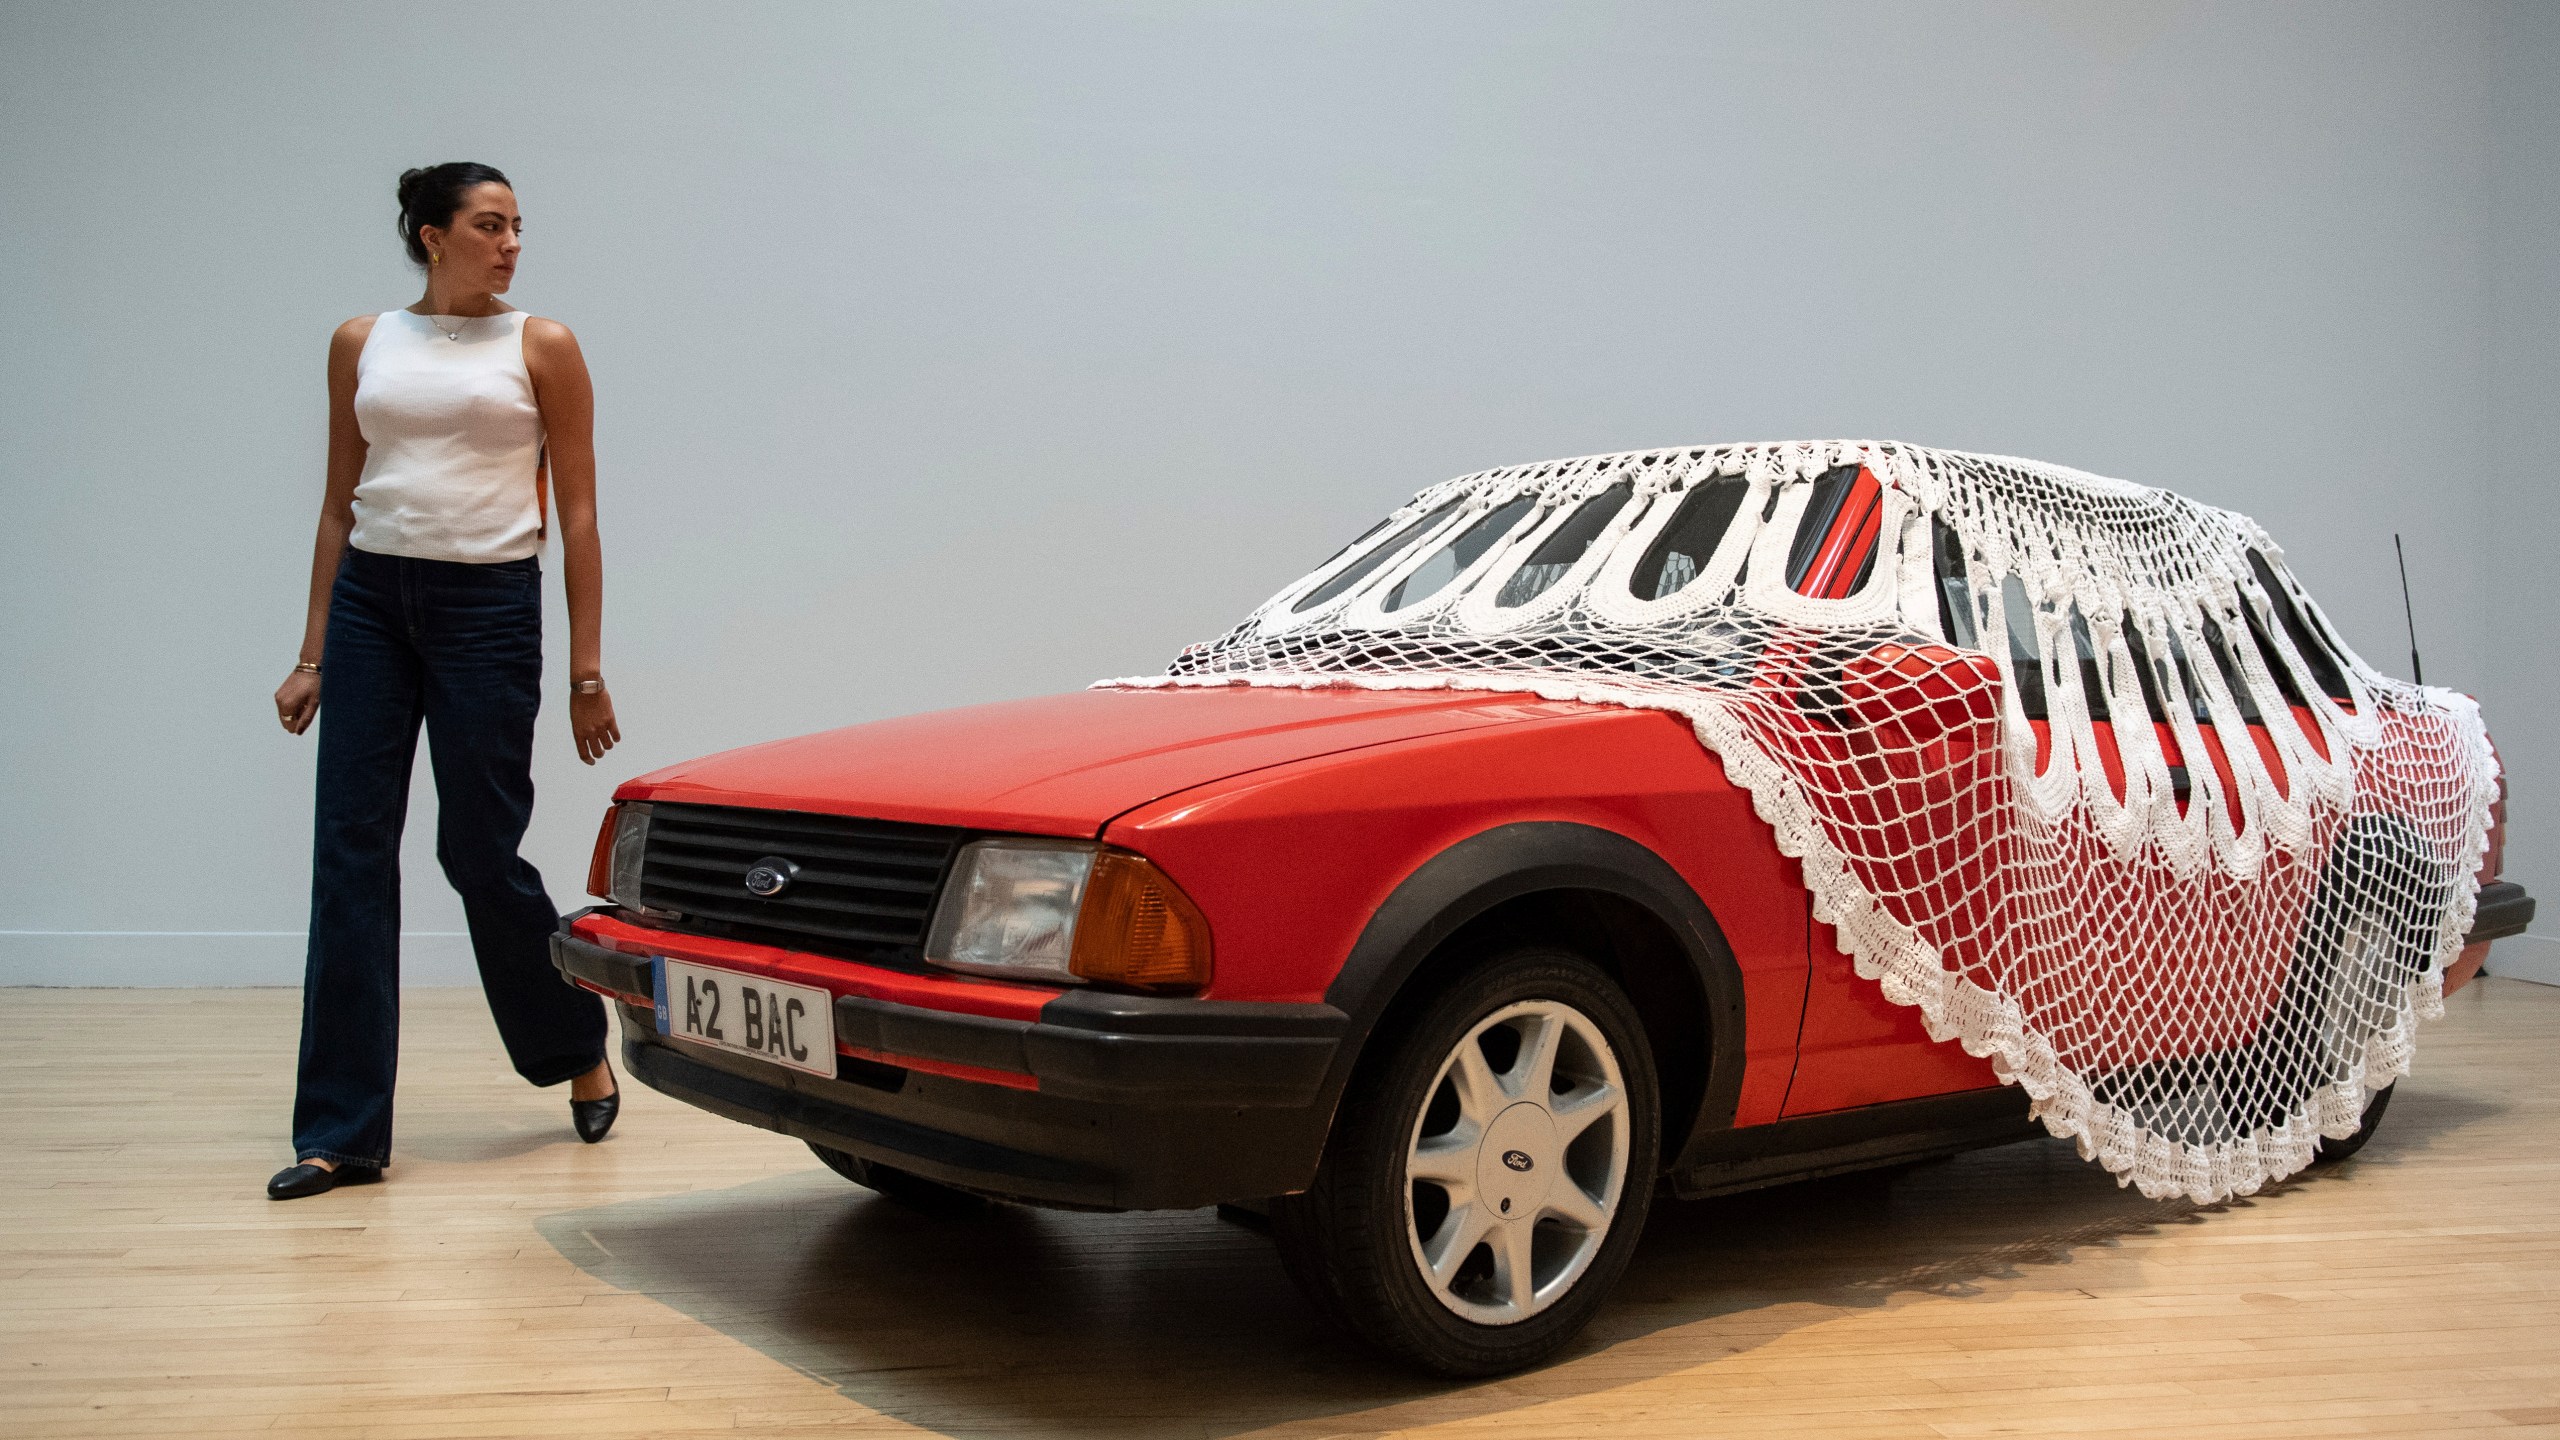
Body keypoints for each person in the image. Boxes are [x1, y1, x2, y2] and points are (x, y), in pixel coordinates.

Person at [267, 162, 623, 1200]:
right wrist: (312, 654)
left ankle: (570, 1046)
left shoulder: (541, 344)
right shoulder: (362, 341)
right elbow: (340, 503)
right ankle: (339, 1133)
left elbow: (581, 514)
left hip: (488, 610)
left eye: (517, 225)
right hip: (375, 603)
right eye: (488, 224)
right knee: (350, 854)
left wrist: (586, 672)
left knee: (478, 851)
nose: (510, 242)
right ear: (431, 235)